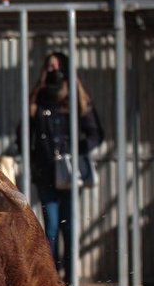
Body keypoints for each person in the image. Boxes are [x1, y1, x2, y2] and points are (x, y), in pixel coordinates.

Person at [27, 53, 102, 273]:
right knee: (50, 228)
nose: (54, 71)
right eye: (50, 67)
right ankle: (52, 280)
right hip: (45, 173)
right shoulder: (37, 100)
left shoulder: (76, 99)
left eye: (58, 67)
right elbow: (24, 134)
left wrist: (75, 152)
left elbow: (96, 133)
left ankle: (70, 280)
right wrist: (35, 156)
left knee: (68, 227)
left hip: (69, 173)